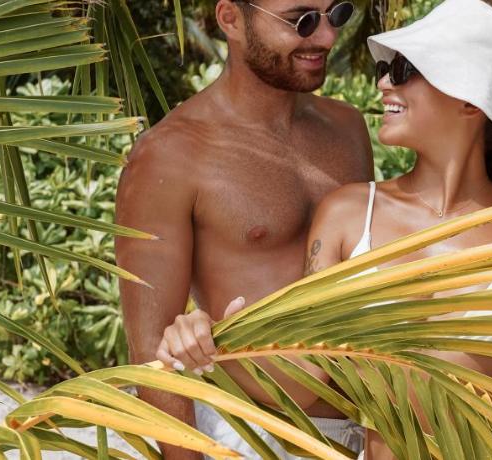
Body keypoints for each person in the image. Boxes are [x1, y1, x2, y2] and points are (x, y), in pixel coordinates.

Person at [159, 0, 492, 458]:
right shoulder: (350, 215)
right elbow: (309, 375)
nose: (384, 82)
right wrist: (212, 341)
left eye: (405, 69)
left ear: (471, 98)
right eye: (386, 68)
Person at [114, 0, 373, 458]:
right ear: (231, 19)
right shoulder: (170, 155)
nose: (327, 37)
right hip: (250, 437)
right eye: (301, 21)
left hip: (364, 432)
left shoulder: (346, 128)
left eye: (336, 14)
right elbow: (151, 351)